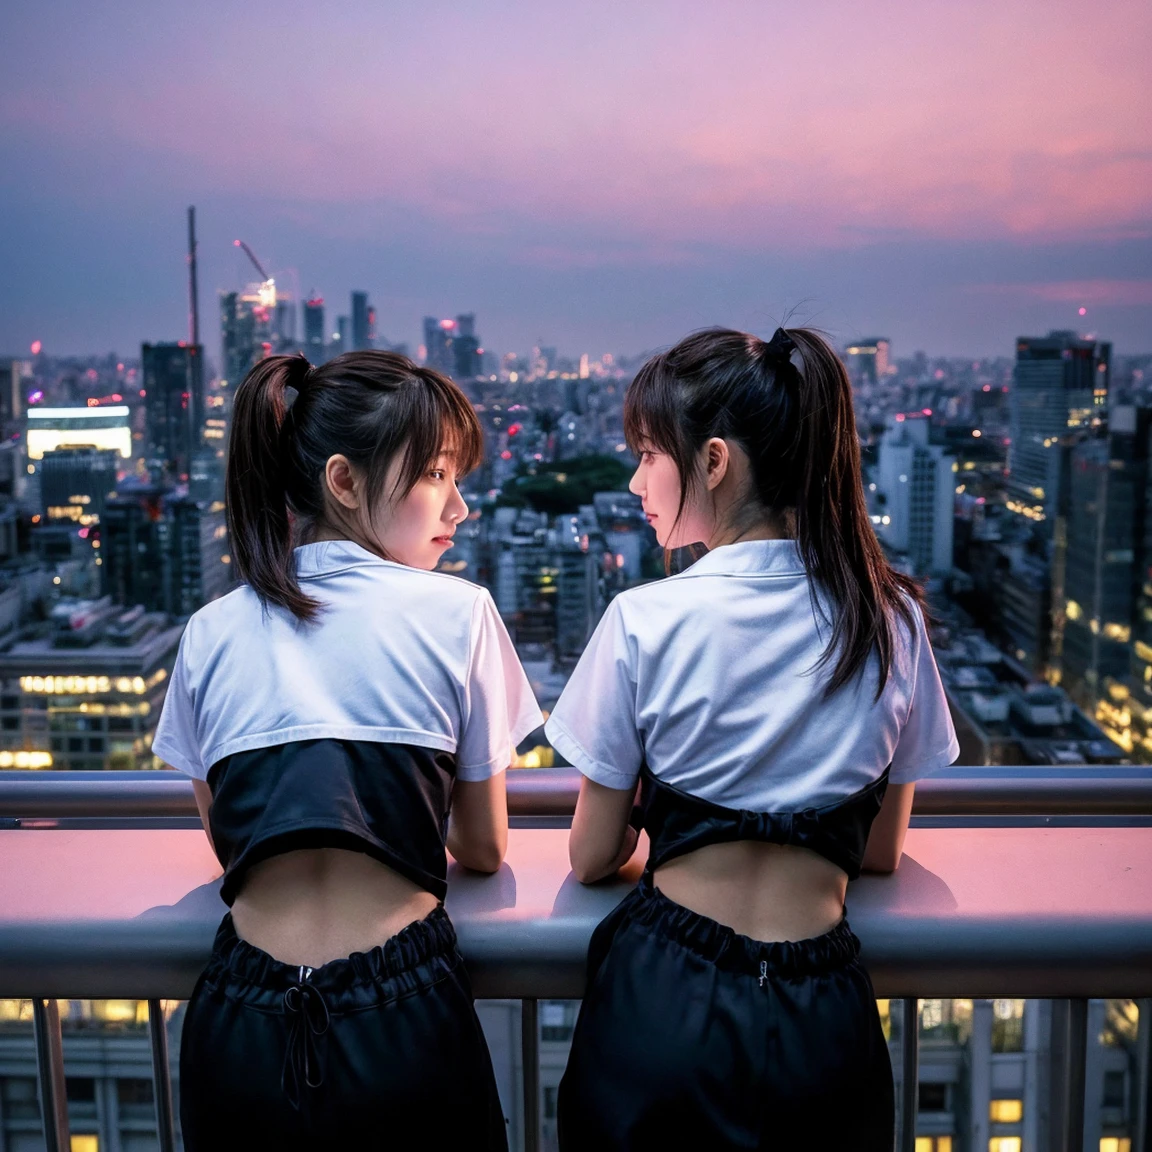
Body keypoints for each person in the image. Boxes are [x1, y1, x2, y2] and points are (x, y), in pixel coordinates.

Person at [545, 327, 959, 1151]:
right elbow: (878, 853)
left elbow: (590, 858)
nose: (634, 481)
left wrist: (654, 818)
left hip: (662, 1005)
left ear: (715, 462)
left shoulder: (643, 621)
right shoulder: (890, 619)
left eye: (648, 455)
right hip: (823, 1017)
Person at [153, 351, 542, 1151]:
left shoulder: (210, 632)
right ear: (342, 480)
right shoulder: (457, 614)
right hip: (400, 1012)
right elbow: (482, 844)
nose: (460, 506)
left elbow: (229, 841)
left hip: (239, 1015)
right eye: (436, 475)